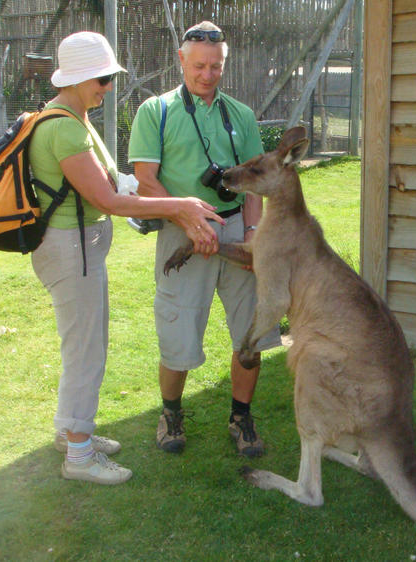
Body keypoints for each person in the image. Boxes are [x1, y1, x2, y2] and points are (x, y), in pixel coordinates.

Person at [30, 31, 224, 485]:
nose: (107, 86)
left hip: (80, 249)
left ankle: (71, 431)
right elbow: (109, 200)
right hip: (71, 251)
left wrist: (145, 190)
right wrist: (181, 205)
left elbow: (112, 182)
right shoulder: (63, 126)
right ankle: (79, 454)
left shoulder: (73, 117)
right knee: (86, 353)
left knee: (83, 345)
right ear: (76, 78)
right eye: (100, 78)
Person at [128, 21, 281, 458]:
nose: (207, 75)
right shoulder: (154, 112)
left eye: (216, 66)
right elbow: (145, 181)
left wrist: (253, 236)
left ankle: (241, 417)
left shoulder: (242, 115)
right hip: (181, 229)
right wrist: (190, 220)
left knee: (252, 336)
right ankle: (171, 414)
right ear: (181, 60)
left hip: (236, 230)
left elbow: (255, 183)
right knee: (178, 333)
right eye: (198, 66)